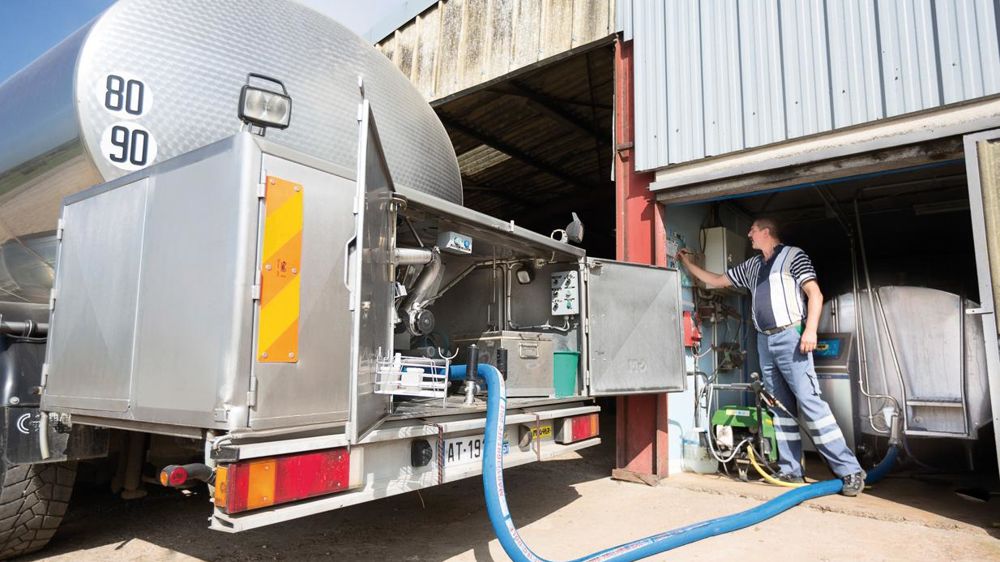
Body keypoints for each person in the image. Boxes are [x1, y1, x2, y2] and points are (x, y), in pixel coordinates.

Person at [677, 217, 866, 496]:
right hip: (764, 340)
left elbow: (814, 294)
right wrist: (688, 264)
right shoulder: (754, 266)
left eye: (752, 230)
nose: (749, 235)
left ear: (766, 232)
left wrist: (810, 330)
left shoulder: (794, 256)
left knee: (810, 403)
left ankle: (849, 470)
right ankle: (791, 469)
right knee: (778, 406)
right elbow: (718, 281)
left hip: (791, 336)